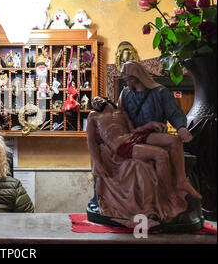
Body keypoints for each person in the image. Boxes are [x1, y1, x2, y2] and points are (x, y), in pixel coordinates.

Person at [88, 60, 193, 212]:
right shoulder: (125, 94)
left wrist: (181, 128)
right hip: (131, 137)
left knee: (175, 140)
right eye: (125, 78)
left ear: (137, 76)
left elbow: (174, 113)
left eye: (128, 78)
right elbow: (122, 120)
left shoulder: (160, 92)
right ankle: (99, 198)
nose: (126, 81)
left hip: (150, 136)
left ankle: (180, 182)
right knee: (103, 152)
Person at [86, 96, 202, 228]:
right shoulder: (93, 116)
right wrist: (98, 162)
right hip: (121, 145)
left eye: (97, 98)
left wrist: (150, 125)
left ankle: (181, 181)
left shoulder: (121, 112)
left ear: (106, 99)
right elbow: (91, 141)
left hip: (133, 137)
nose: (95, 101)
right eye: (93, 101)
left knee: (174, 140)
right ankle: (170, 195)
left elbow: (133, 131)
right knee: (161, 155)